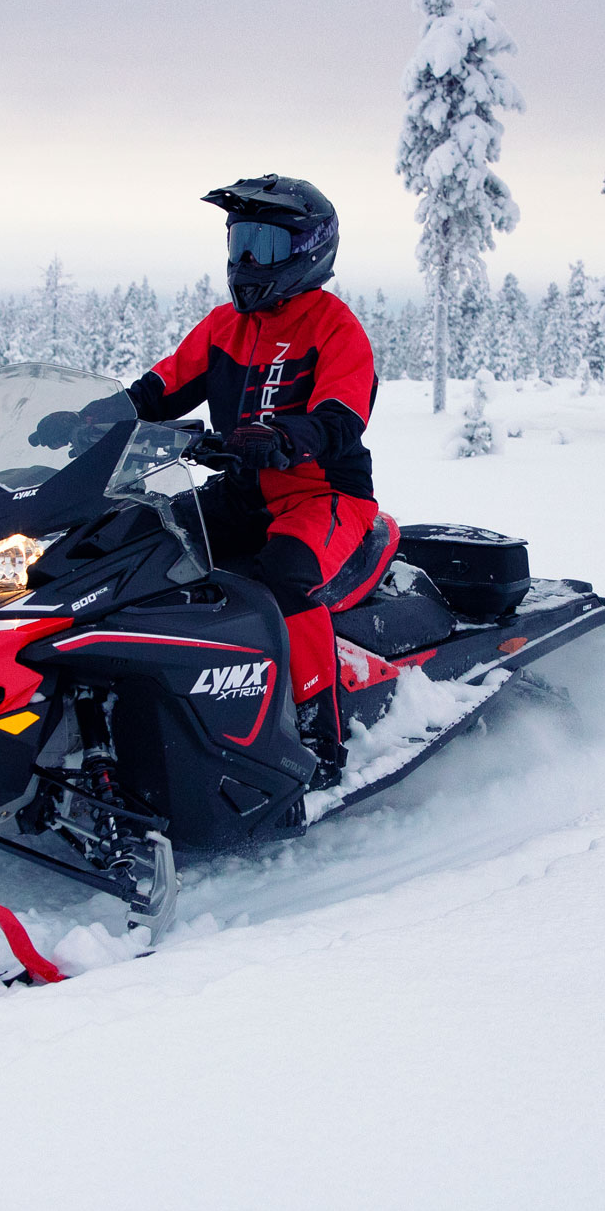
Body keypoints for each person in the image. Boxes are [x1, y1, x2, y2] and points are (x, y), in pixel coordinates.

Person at [128, 174, 380, 786]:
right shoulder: (222, 326)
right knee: (135, 537)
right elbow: (159, 389)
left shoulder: (335, 327)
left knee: (284, 580)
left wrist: (289, 438)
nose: (245, 262)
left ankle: (320, 734)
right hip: (242, 493)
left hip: (322, 497)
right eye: (239, 243)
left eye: (262, 247)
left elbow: (342, 415)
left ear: (308, 249)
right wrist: (91, 419)